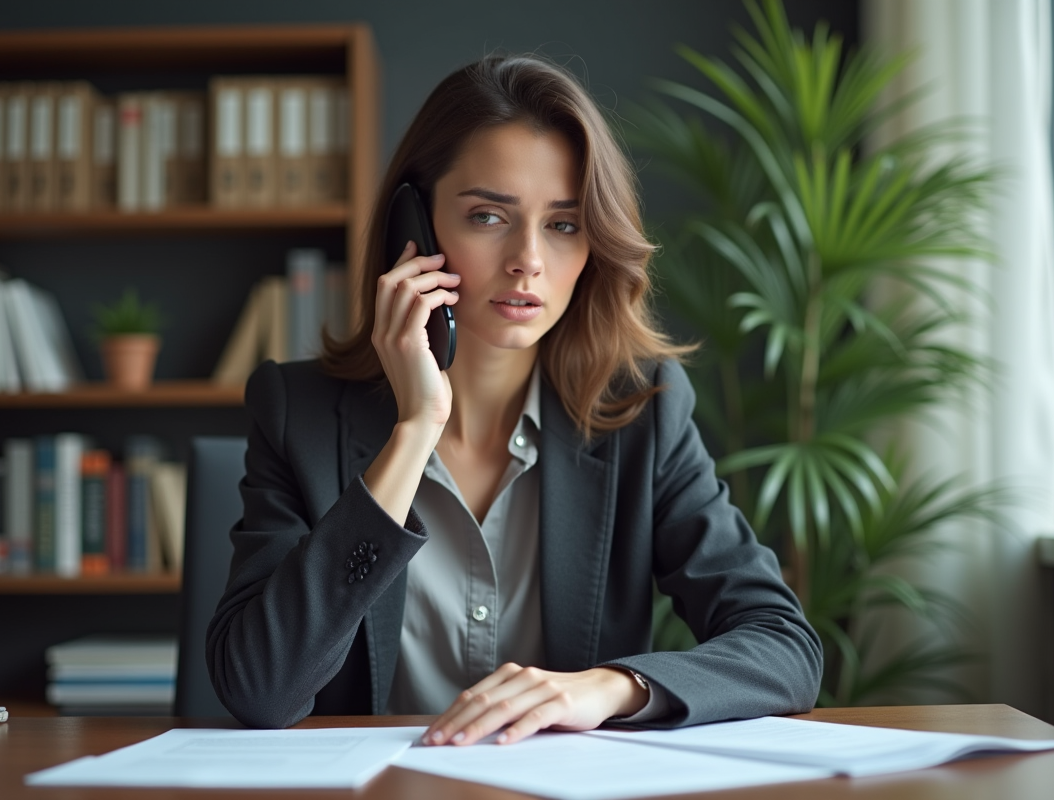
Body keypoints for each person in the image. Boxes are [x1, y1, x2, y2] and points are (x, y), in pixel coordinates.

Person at [206, 53, 822, 744]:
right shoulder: (299, 412)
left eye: (563, 224)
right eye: (488, 216)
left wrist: (607, 688)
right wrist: (415, 430)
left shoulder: (642, 413)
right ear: (415, 228)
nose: (528, 258)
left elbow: (784, 646)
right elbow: (260, 689)